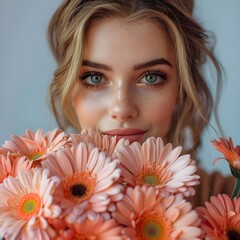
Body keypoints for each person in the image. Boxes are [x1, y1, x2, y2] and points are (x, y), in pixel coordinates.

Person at [47, 0, 234, 206]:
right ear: (67, 87)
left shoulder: (230, 204)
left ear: (181, 88)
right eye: (95, 78)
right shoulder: (33, 202)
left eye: (151, 77)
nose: (122, 109)